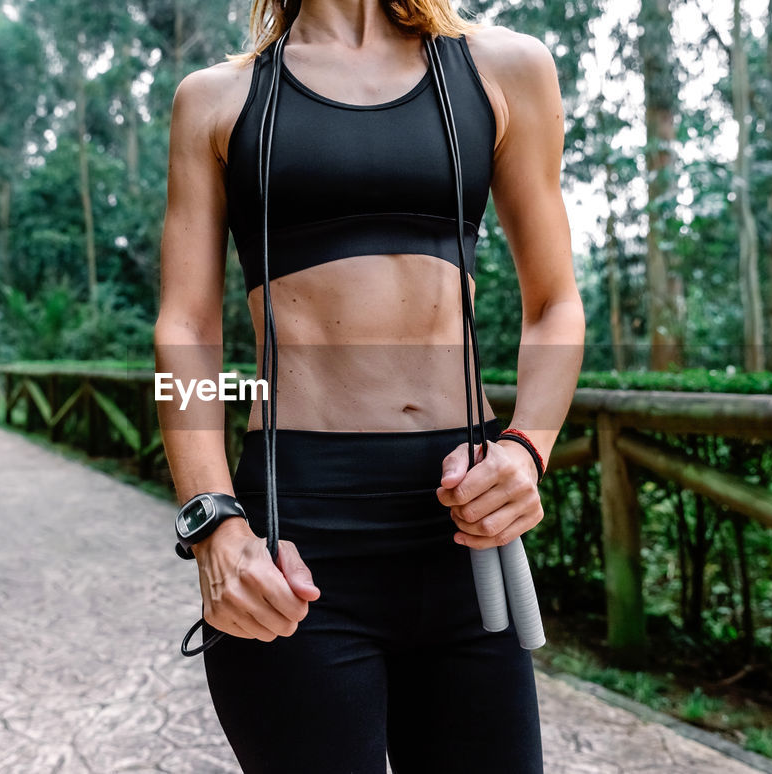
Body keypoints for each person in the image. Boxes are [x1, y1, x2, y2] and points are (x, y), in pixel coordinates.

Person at [153, 0, 583, 769]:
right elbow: (185, 331)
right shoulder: (219, 99)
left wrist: (528, 449)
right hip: (297, 535)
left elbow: (555, 304)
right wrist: (213, 523)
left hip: (466, 530)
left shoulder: (502, 70)